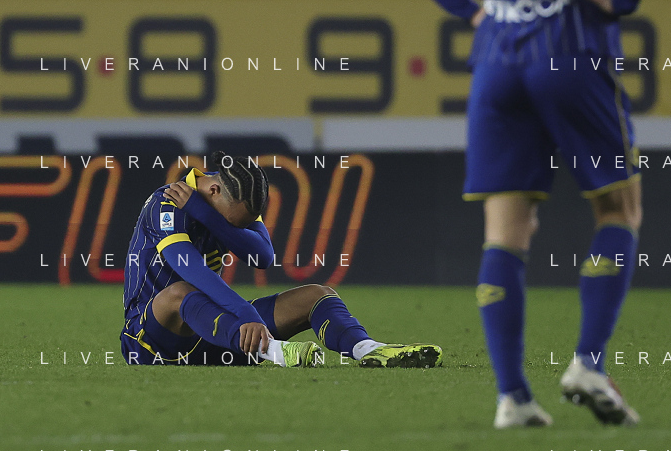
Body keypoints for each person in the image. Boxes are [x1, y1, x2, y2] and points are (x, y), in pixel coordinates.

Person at [392, 0, 661, 427]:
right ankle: (588, 363)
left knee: (504, 230)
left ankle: (511, 397)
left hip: (497, 58)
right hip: (568, 41)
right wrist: (622, 1)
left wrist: (469, 9)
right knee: (619, 209)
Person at [120, 151, 442, 369]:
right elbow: (190, 268)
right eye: (233, 222)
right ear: (215, 190)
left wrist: (209, 216)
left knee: (318, 294)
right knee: (180, 292)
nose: (236, 227)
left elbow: (262, 256)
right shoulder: (166, 204)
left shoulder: (236, 194)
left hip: (219, 332)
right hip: (151, 342)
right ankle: (274, 351)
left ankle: (368, 349)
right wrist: (247, 314)